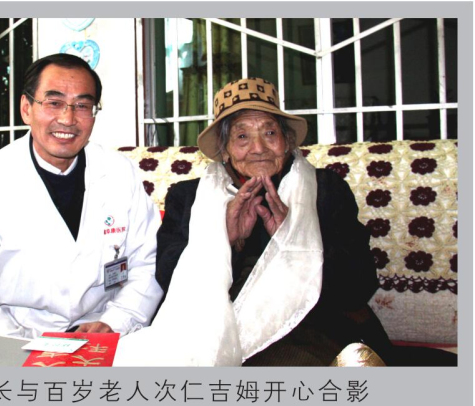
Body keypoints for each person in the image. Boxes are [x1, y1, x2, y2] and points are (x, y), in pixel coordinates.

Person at [114, 77, 393, 367]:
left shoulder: (325, 189)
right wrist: (225, 240)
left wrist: (295, 238)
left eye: (270, 133)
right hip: (211, 328)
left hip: (311, 327)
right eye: (242, 136)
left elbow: (359, 285)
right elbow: (168, 279)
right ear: (224, 149)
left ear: (287, 142)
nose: (258, 148)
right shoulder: (188, 197)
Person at [0, 53, 163, 339]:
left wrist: (116, 321)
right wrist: (23, 346)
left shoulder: (119, 173)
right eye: (54, 103)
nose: (67, 119)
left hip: (104, 328)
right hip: (14, 335)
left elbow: (147, 261)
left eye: (82, 106)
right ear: (26, 109)